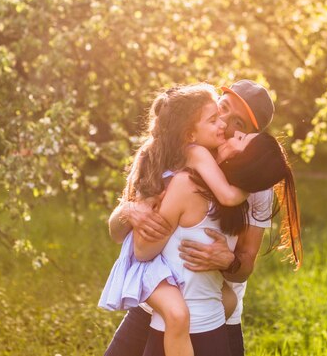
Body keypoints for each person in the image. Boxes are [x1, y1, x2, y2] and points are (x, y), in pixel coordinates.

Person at [105, 80, 280, 356]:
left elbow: (246, 263)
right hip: (156, 302)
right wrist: (129, 211)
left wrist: (228, 261)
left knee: (226, 302)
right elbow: (117, 233)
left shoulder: (256, 185)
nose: (226, 124)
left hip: (212, 312)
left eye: (240, 125)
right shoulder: (176, 151)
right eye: (223, 110)